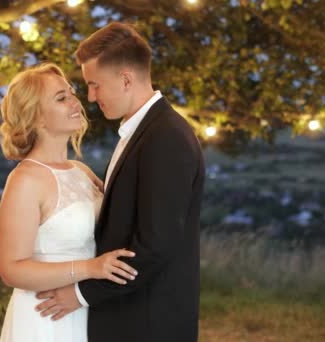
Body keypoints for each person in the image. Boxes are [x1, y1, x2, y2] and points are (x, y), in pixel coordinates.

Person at [35, 22, 206, 341]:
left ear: (126, 79)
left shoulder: (166, 137)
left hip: (147, 322)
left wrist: (82, 294)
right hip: (129, 316)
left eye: (94, 84)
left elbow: (155, 246)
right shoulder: (144, 132)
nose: (90, 96)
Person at [0, 63, 138, 342]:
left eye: (72, 94)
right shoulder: (25, 180)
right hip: (45, 317)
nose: (76, 102)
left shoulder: (80, 171)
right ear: (35, 116)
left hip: (85, 309)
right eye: (61, 98)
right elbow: (11, 269)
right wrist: (91, 268)